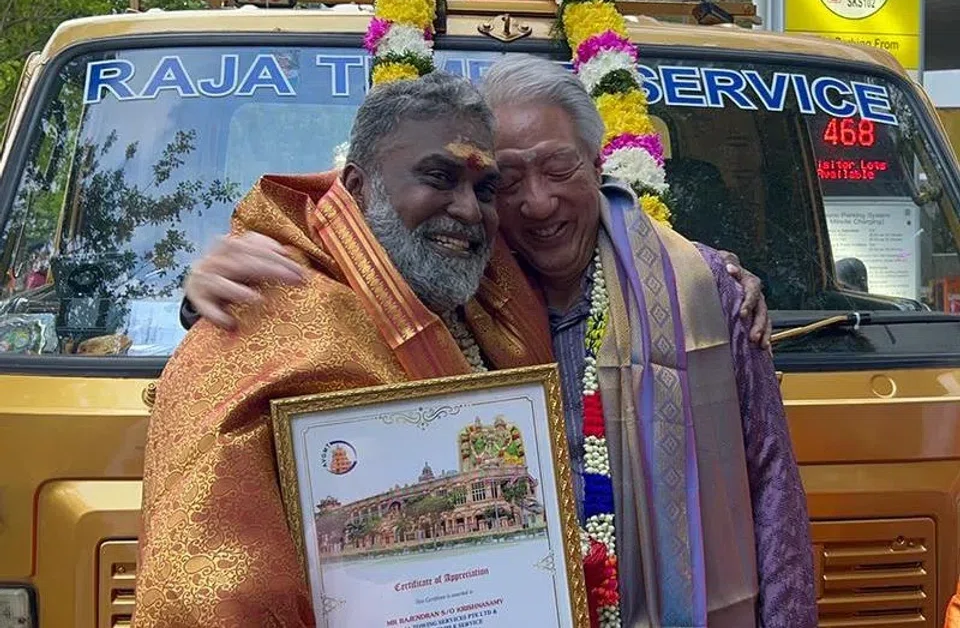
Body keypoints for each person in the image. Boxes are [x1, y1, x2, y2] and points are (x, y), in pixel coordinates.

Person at [177, 55, 817, 627]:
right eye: (506, 182)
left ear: (599, 167)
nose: (537, 204)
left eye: (559, 168)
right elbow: (352, 221)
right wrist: (214, 284)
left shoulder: (700, 291)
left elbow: (774, 497)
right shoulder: (460, 284)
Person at [133, 72, 555, 627]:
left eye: (483, 189)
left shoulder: (496, 298)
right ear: (356, 187)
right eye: (438, 177)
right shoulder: (260, 319)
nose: (470, 211)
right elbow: (210, 592)